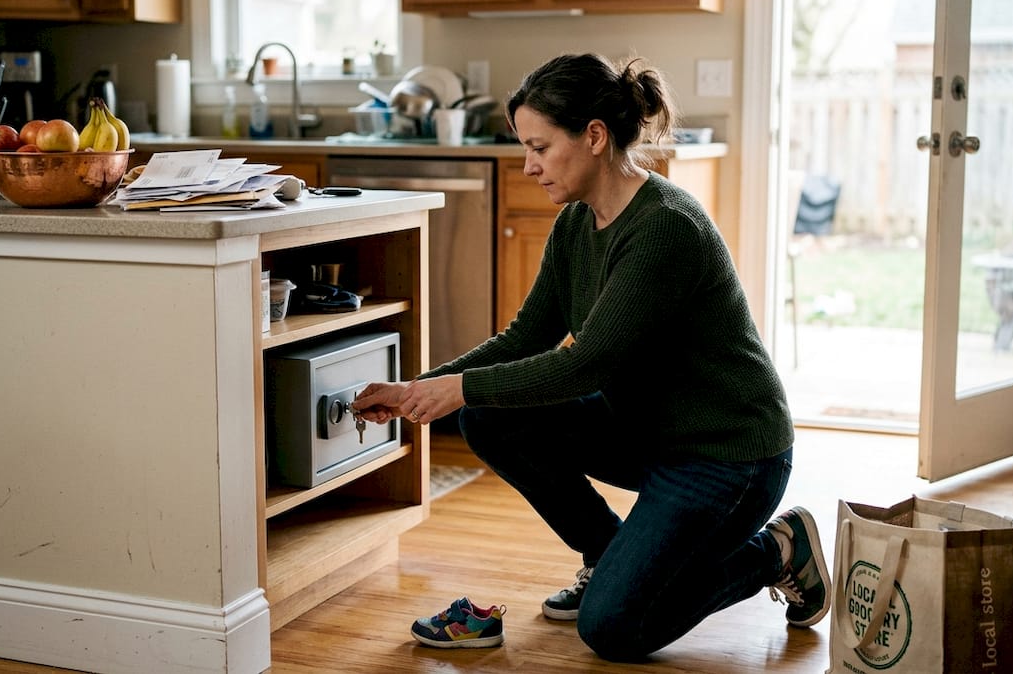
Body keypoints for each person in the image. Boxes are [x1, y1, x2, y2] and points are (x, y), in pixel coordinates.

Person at [352, 53, 831, 661]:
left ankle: (778, 550)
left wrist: (459, 389)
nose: (528, 166)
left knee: (613, 629)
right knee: (489, 414)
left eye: (541, 147)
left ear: (595, 137)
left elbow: (584, 366)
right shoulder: (578, 222)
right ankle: (609, 557)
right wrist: (422, 386)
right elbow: (526, 337)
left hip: (727, 456)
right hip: (648, 433)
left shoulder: (666, 228)